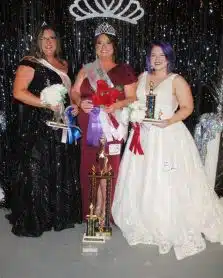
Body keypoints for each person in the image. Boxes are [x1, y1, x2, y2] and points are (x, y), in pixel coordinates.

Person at [112, 41, 223, 260]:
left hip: (168, 136)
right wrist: (133, 114)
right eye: (153, 55)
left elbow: (188, 108)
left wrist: (169, 120)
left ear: (169, 58)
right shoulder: (143, 78)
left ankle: (167, 218)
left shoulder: (176, 80)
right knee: (142, 177)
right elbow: (135, 101)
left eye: (161, 55)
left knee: (167, 176)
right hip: (144, 136)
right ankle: (143, 216)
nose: (157, 59)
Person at [6, 25, 82, 237]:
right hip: (40, 124)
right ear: (37, 42)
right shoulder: (30, 62)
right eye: (43, 38)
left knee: (60, 166)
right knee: (38, 168)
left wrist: (75, 104)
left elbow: (70, 93)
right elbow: (18, 92)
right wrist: (45, 103)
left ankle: (59, 214)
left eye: (52, 38)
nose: (48, 42)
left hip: (63, 124)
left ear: (57, 41)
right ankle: (38, 217)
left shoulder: (64, 64)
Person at [71, 23, 137, 220]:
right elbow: (74, 92)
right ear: (94, 46)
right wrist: (80, 102)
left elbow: (132, 98)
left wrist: (116, 106)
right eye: (99, 43)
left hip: (113, 124)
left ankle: (105, 209)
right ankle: (94, 207)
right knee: (92, 165)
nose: (104, 47)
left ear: (114, 46)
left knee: (108, 166)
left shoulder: (124, 70)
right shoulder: (87, 69)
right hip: (89, 123)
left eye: (108, 43)